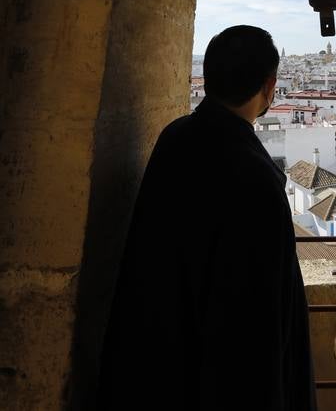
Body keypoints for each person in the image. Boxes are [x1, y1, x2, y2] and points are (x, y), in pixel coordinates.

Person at [98, 25, 317, 410]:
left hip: (156, 370)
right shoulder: (255, 177)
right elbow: (254, 321)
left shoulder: (175, 137)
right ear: (270, 86)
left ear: (208, 77)